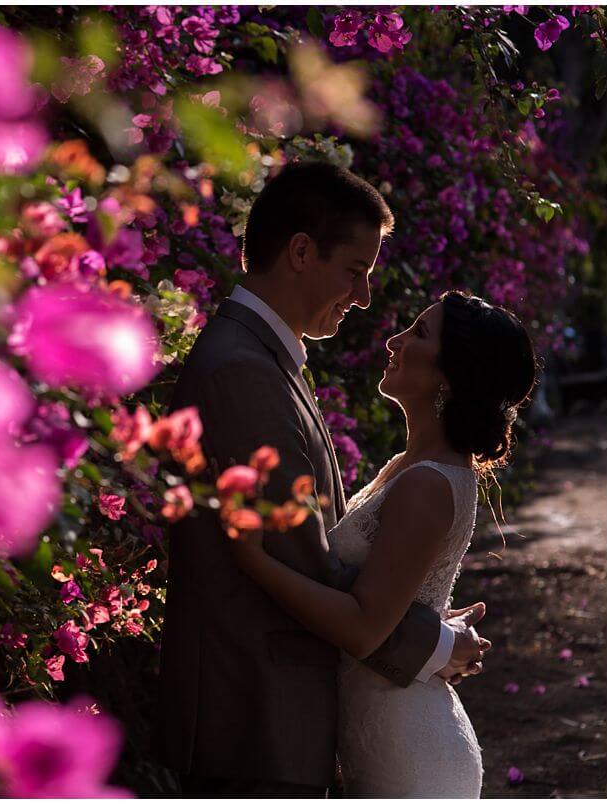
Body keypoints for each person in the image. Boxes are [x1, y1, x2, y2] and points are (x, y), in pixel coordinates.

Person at [156, 161, 490, 796]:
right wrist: (437, 643)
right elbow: (302, 561)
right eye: (355, 271)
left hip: (269, 712)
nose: (364, 296)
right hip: (251, 715)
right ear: (302, 252)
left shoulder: (261, 360)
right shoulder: (244, 373)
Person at [228, 291, 537, 796]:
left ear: (449, 374)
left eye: (417, 333)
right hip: (380, 724)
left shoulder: (428, 484)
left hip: (405, 749)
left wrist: (254, 561)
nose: (393, 341)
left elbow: (365, 627)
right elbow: (388, 591)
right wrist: (437, 638)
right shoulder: (407, 467)